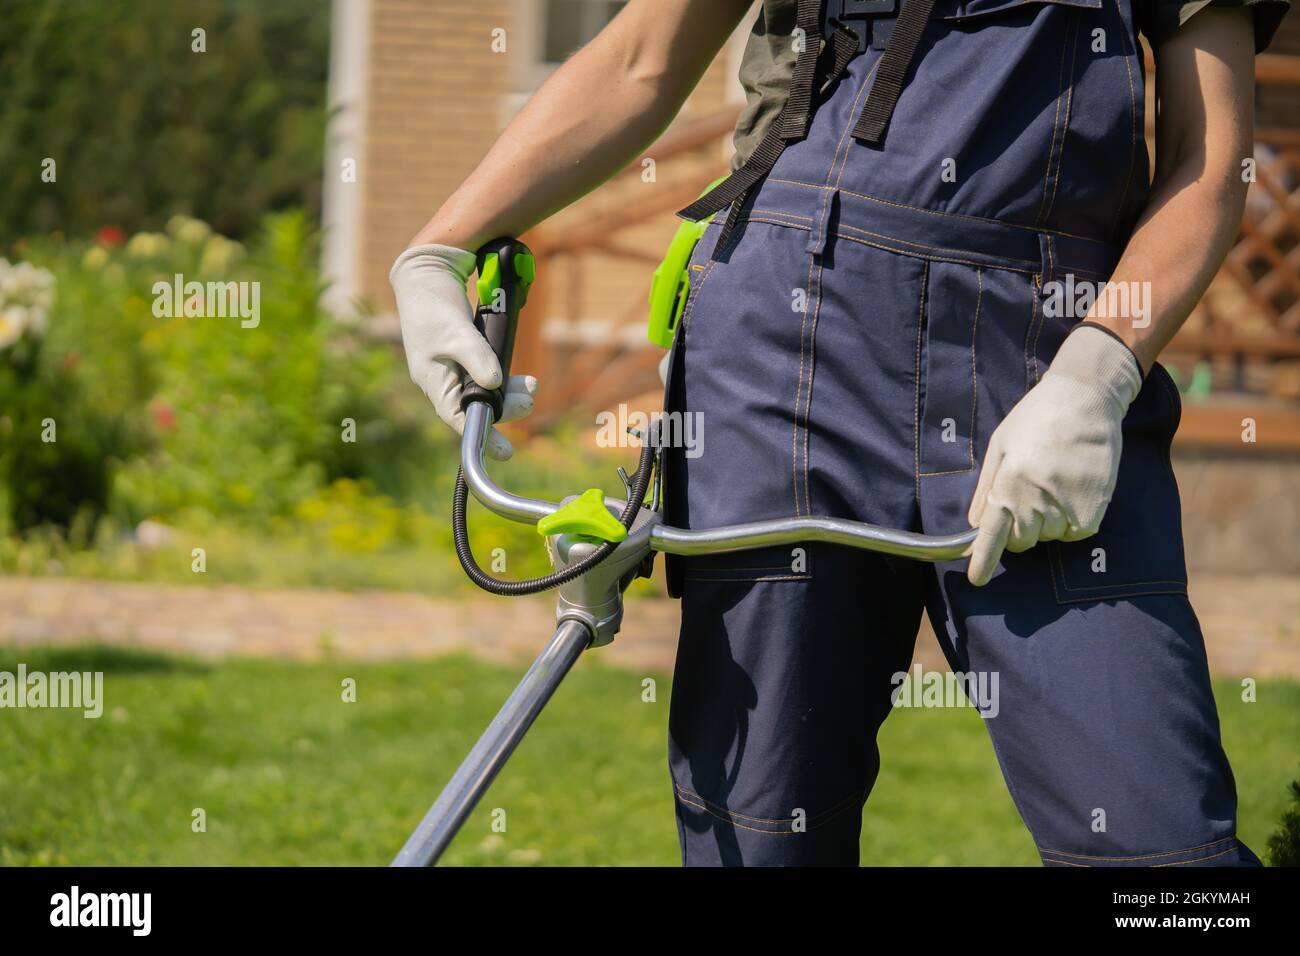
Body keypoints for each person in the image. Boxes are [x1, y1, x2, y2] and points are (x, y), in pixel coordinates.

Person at [389, 0, 1288, 866]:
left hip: (1045, 359)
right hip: (775, 356)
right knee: (759, 823)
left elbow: (1210, 164)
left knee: (1159, 846)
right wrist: (440, 248)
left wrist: (1100, 371)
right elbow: (640, 60)